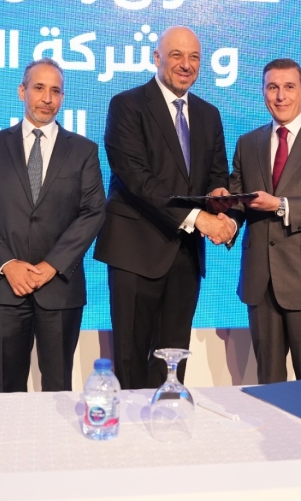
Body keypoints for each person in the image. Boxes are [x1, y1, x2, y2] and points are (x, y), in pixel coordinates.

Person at [93, 25, 233, 389]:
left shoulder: (209, 114)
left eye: (194, 57)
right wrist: (198, 218)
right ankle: (130, 426)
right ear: (157, 57)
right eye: (176, 55)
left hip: (185, 256)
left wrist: (221, 205)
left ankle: (168, 419)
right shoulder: (127, 105)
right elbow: (137, 179)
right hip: (135, 252)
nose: (186, 64)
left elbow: (217, 176)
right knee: (131, 359)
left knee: (173, 361)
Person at [0, 58, 105, 392]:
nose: (47, 98)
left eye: (55, 91)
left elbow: (93, 212)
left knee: (58, 389)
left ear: (63, 97)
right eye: (39, 88)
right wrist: (8, 264)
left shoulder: (83, 150)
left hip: (60, 289)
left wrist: (52, 265)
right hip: (5, 288)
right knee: (6, 390)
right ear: (22, 91)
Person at [220, 58, 301, 384]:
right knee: (269, 384)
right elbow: (240, 201)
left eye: (289, 87)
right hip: (260, 281)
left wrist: (280, 205)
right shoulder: (247, 143)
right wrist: (227, 218)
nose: (280, 96)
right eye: (272, 87)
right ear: (263, 92)